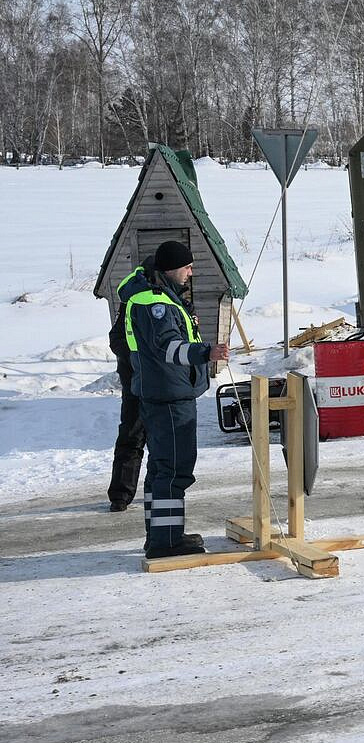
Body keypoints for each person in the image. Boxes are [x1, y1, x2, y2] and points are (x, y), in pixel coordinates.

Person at [123, 239, 227, 559]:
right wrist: (206, 352)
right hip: (169, 395)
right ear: (170, 268)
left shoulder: (155, 296)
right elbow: (169, 348)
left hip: (163, 392)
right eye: (187, 267)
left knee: (160, 469)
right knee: (174, 469)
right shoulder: (157, 304)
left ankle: (161, 535)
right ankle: (166, 542)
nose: (191, 273)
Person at [105, 260, 152, 512]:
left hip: (139, 378)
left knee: (135, 436)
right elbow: (117, 339)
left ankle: (126, 495)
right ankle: (121, 495)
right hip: (138, 380)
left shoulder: (135, 294)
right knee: (134, 436)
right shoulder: (140, 298)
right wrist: (139, 361)